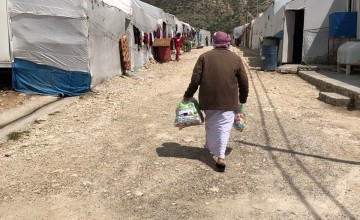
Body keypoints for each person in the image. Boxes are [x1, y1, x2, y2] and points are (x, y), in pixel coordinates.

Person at [183, 31, 249, 172]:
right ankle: (220, 156)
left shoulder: (204, 57)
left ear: (214, 42)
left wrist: (188, 95)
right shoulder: (235, 58)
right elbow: (244, 82)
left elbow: (195, 80)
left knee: (211, 123)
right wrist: (242, 99)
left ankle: (210, 146)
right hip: (229, 100)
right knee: (224, 127)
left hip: (208, 99)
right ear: (228, 42)